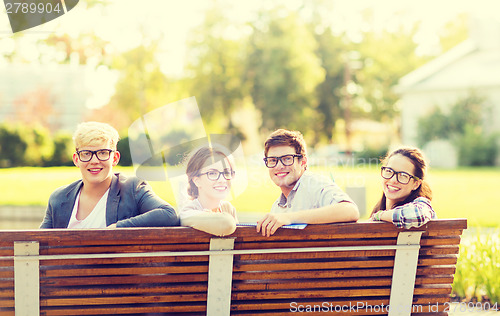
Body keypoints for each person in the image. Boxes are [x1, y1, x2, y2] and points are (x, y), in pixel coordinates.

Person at [40, 121, 179, 229]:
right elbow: (37, 243)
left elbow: (168, 214)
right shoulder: (59, 198)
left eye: (102, 153)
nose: (94, 161)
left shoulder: (133, 189)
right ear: (76, 159)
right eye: (86, 154)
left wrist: (118, 228)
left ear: (115, 158)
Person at [257, 129, 359, 237]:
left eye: (287, 159)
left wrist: (289, 217)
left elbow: (350, 210)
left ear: (303, 162)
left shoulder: (314, 184)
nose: (279, 166)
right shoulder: (277, 207)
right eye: (273, 160)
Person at [370, 147, 436, 229]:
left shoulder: (421, 205)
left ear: (416, 184)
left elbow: (417, 215)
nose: (393, 180)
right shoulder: (380, 207)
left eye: (403, 175)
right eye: (389, 171)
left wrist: (379, 215)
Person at [179, 146, 238, 236]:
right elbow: (227, 223)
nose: (222, 180)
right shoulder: (187, 213)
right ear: (196, 181)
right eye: (212, 173)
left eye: (226, 172)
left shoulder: (228, 209)